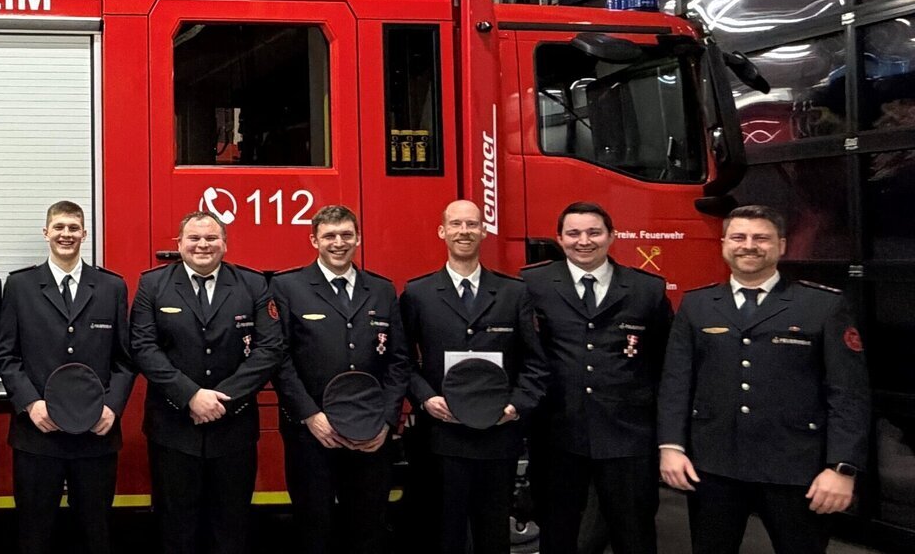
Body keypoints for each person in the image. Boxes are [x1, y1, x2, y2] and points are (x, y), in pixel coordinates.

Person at [659, 205, 871, 554]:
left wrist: (842, 467)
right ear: (724, 244)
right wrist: (671, 447)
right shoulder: (697, 304)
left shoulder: (822, 305)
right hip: (714, 467)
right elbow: (676, 382)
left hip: (796, 469)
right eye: (739, 237)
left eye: (761, 238)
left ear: (782, 245)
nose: (749, 245)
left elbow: (848, 393)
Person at [126, 210, 285, 554]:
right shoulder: (153, 285)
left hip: (233, 427)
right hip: (173, 428)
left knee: (231, 528)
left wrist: (221, 399)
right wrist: (191, 396)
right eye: (194, 238)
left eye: (211, 238)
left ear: (224, 244)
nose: (203, 245)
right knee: (175, 528)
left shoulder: (253, 285)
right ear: (179, 243)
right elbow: (143, 347)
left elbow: (270, 349)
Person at [523, 201, 672, 554]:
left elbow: (665, 362)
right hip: (558, 434)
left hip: (627, 436)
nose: (584, 241)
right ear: (559, 238)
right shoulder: (533, 284)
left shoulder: (646, 289)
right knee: (557, 534)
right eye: (573, 233)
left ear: (611, 236)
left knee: (634, 534)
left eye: (594, 232)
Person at [401, 201, 548, 554]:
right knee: (444, 532)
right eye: (456, 224)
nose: (464, 231)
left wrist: (516, 407)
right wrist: (425, 399)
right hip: (442, 436)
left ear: (484, 231)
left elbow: (536, 363)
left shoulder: (514, 293)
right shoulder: (418, 294)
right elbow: (401, 360)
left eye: (471, 224)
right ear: (442, 231)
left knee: (493, 532)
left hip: (498, 434)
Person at [0, 200, 133, 554]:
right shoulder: (20, 286)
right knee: (34, 534)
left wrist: (112, 408)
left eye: (73, 228)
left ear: (84, 234)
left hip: (96, 434)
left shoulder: (111, 287)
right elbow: (6, 355)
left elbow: (125, 360)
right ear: (46, 233)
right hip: (38, 435)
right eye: (59, 227)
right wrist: (31, 404)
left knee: (96, 533)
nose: (66, 234)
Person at [270, 205, 409, 554]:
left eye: (346, 235)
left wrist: (386, 422)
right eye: (329, 235)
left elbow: (398, 361)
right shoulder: (287, 287)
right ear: (314, 240)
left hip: (370, 432)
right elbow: (279, 360)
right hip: (312, 433)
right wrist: (310, 416)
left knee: (367, 529)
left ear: (358, 238)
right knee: (313, 528)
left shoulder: (381, 289)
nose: (338, 242)